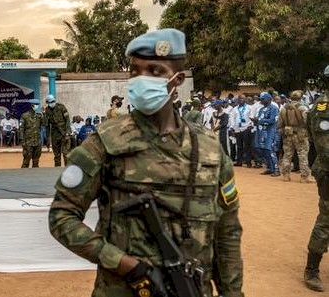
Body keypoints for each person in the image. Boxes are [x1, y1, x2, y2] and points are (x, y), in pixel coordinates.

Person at [48, 28, 243, 297]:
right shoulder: (105, 142)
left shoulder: (210, 150)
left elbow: (227, 233)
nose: (141, 79)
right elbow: (62, 216)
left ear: (178, 79)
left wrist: (233, 293)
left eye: (154, 71)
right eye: (135, 70)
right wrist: (124, 264)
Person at [304, 64, 329, 291]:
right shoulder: (323, 107)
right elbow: (324, 147)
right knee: (327, 218)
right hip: (328, 170)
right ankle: (312, 269)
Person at [279, 90, 312, 183]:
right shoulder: (303, 108)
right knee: (302, 155)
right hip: (301, 134)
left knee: (287, 155)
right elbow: (307, 122)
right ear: (300, 98)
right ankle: (304, 177)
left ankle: (285, 175)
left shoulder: (284, 108)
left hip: (287, 134)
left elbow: (279, 123)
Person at [252, 91, 280, 176]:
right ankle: (269, 168)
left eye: (263, 99)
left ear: (268, 99)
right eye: (260, 99)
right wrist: (255, 121)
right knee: (263, 150)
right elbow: (259, 120)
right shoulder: (261, 109)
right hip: (261, 133)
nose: (261, 101)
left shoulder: (274, 108)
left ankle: (276, 169)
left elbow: (272, 120)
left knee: (270, 150)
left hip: (270, 132)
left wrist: (259, 121)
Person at [44, 94, 71, 167]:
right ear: (47, 103)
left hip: (64, 133)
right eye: (50, 102)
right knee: (57, 154)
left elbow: (67, 121)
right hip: (54, 134)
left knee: (66, 153)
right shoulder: (47, 110)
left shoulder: (61, 107)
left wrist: (68, 133)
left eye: (53, 101)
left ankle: (67, 168)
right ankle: (57, 169)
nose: (52, 103)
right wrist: (47, 138)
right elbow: (47, 125)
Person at [19, 99, 43, 168]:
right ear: (32, 105)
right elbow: (21, 129)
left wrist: (44, 114)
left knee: (36, 162)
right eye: (36, 105)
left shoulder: (39, 116)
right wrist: (23, 141)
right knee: (26, 161)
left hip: (37, 142)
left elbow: (44, 124)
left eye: (38, 105)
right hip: (28, 142)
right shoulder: (25, 116)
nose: (37, 106)